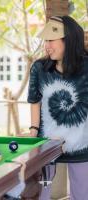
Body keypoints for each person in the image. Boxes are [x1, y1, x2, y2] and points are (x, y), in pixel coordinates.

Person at [24, 16, 88, 200]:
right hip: (47, 146)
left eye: (51, 40)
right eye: (45, 41)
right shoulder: (39, 68)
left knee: (82, 195)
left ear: (68, 40)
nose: (46, 46)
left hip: (82, 147)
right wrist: (33, 131)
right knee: (42, 193)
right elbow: (34, 100)